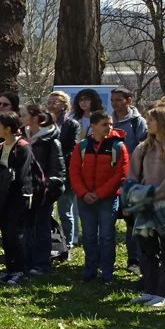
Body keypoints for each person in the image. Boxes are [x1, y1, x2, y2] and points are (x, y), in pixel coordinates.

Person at [126, 105, 165, 306]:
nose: (148, 123)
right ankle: (149, 290)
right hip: (144, 207)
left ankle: (164, 294)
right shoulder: (142, 148)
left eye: (151, 120)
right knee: (147, 250)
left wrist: (153, 195)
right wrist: (136, 194)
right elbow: (132, 175)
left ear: (164, 122)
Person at [69, 110, 129, 283]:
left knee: (107, 236)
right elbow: (74, 172)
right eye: (104, 124)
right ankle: (90, 270)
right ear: (93, 126)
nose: (109, 127)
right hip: (85, 199)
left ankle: (107, 272)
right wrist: (83, 193)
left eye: (110, 124)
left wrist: (100, 193)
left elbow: (121, 174)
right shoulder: (82, 146)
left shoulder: (118, 146)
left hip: (107, 199)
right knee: (88, 236)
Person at [0, 112, 36, 285]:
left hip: (18, 196)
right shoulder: (0, 147)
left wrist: (3, 178)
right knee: (5, 233)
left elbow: (21, 175)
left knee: (16, 233)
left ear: (8, 129)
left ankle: (20, 270)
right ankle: (9, 269)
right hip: (3, 196)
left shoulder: (23, 147)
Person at [24, 103, 66, 276]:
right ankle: (27, 261)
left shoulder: (50, 141)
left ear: (35, 118)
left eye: (24, 115)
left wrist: (46, 188)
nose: (21, 118)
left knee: (41, 227)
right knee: (27, 227)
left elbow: (58, 170)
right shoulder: (23, 137)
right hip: (25, 191)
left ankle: (42, 264)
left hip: (43, 193)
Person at [111, 87, 149, 272]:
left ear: (129, 100)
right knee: (110, 220)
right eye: (113, 100)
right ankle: (106, 259)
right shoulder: (109, 121)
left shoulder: (137, 122)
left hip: (131, 180)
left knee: (131, 221)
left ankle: (134, 260)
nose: (115, 103)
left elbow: (144, 148)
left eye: (119, 100)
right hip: (110, 178)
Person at [47, 90, 82, 257]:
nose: (51, 105)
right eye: (49, 102)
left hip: (65, 173)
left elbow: (73, 149)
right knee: (47, 212)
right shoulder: (44, 123)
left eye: (55, 102)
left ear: (64, 105)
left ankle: (67, 245)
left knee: (64, 211)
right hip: (47, 173)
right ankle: (52, 243)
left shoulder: (71, 124)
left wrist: (56, 157)